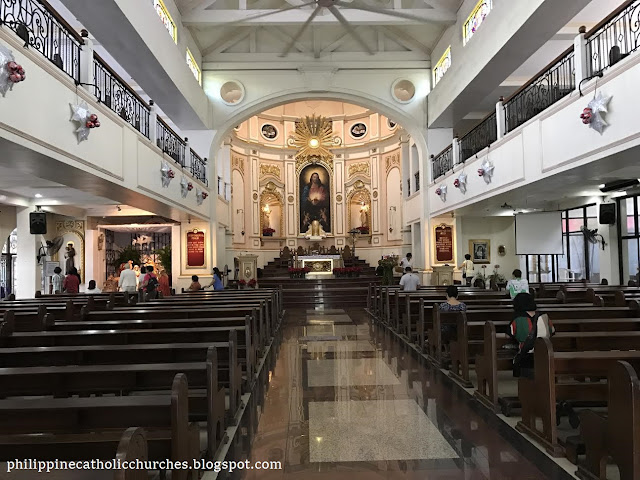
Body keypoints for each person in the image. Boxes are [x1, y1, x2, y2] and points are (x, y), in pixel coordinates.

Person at [508, 293, 555, 378]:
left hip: (527, 358)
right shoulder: (544, 316)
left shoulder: (518, 319)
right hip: (545, 353)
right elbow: (552, 331)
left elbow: (512, 334)